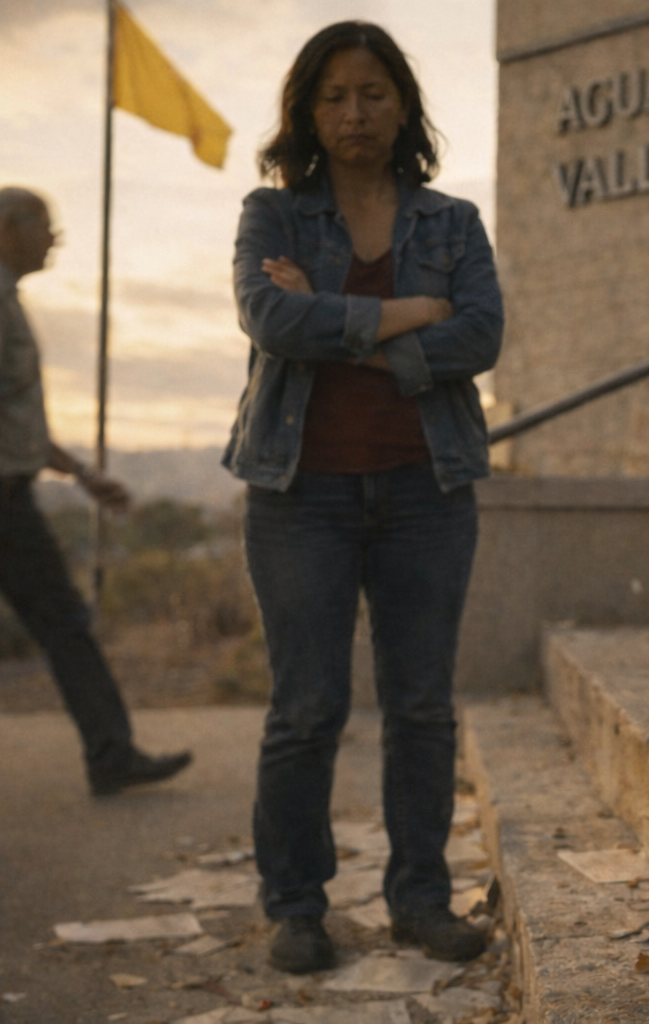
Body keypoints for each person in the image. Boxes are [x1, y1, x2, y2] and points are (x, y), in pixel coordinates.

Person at [226, 22, 503, 974]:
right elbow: (268, 317)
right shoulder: (273, 217)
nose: (355, 112)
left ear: (403, 106)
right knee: (306, 708)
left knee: (421, 707)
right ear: (308, 109)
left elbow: (482, 337)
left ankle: (420, 899)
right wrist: (407, 313)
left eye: (373, 93)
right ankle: (296, 907)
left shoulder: (452, 223)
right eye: (336, 96)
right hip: (299, 494)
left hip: (427, 490)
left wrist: (338, 321)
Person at [0, 187, 192, 797]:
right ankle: (110, 754)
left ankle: (111, 754)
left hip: (12, 496)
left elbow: (14, 417)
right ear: (9, 228)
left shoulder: (9, 301)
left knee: (63, 621)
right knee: (64, 623)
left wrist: (81, 474)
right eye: (46, 225)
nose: (55, 238)